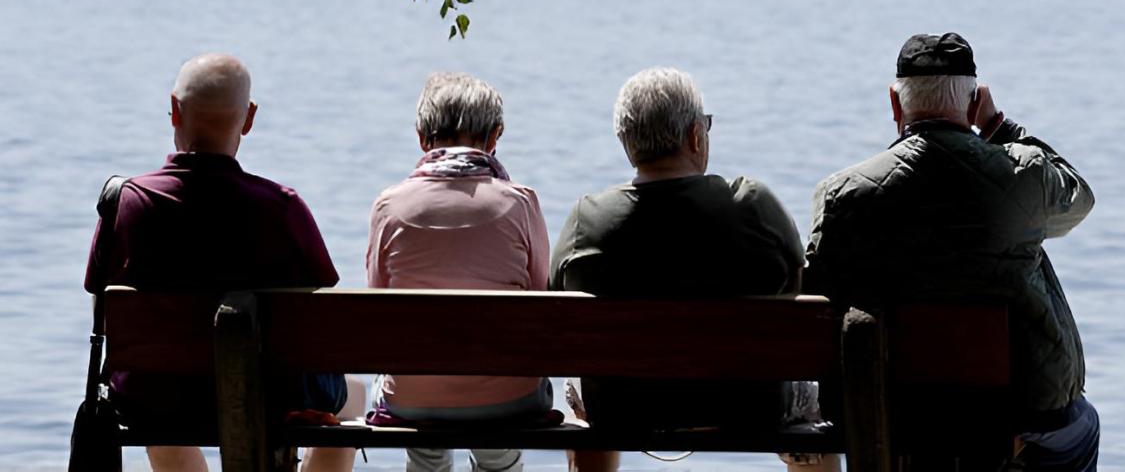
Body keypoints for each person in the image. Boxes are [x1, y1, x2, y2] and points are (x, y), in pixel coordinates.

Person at [806, 33, 1098, 472]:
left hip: (890, 408)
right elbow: (1079, 198)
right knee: (1081, 426)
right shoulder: (1025, 178)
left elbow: (820, 294)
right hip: (1016, 411)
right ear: (973, 100)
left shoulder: (842, 195)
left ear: (895, 103)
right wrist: (1000, 125)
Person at [83, 53, 364, 472]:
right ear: (249, 118)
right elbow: (320, 312)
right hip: (270, 397)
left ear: (175, 110)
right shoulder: (281, 208)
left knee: (154, 392)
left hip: (158, 399)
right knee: (353, 398)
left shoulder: (125, 204)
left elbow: (101, 300)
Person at [551, 68, 824, 472]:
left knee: (580, 388)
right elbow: (803, 292)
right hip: (750, 406)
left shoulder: (587, 219)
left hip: (622, 409)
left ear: (627, 142)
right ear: (696, 135)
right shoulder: (751, 203)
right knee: (810, 400)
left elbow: (556, 307)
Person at [366, 72, 552, 472]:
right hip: (509, 400)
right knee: (497, 399)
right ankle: (497, 462)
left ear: (421, 137)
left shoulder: (388, 206)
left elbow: (379, 306)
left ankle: (429, 461)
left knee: (414, 382)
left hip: (412, 400)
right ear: (495, 137)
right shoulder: (522, 204)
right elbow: (541, 299)